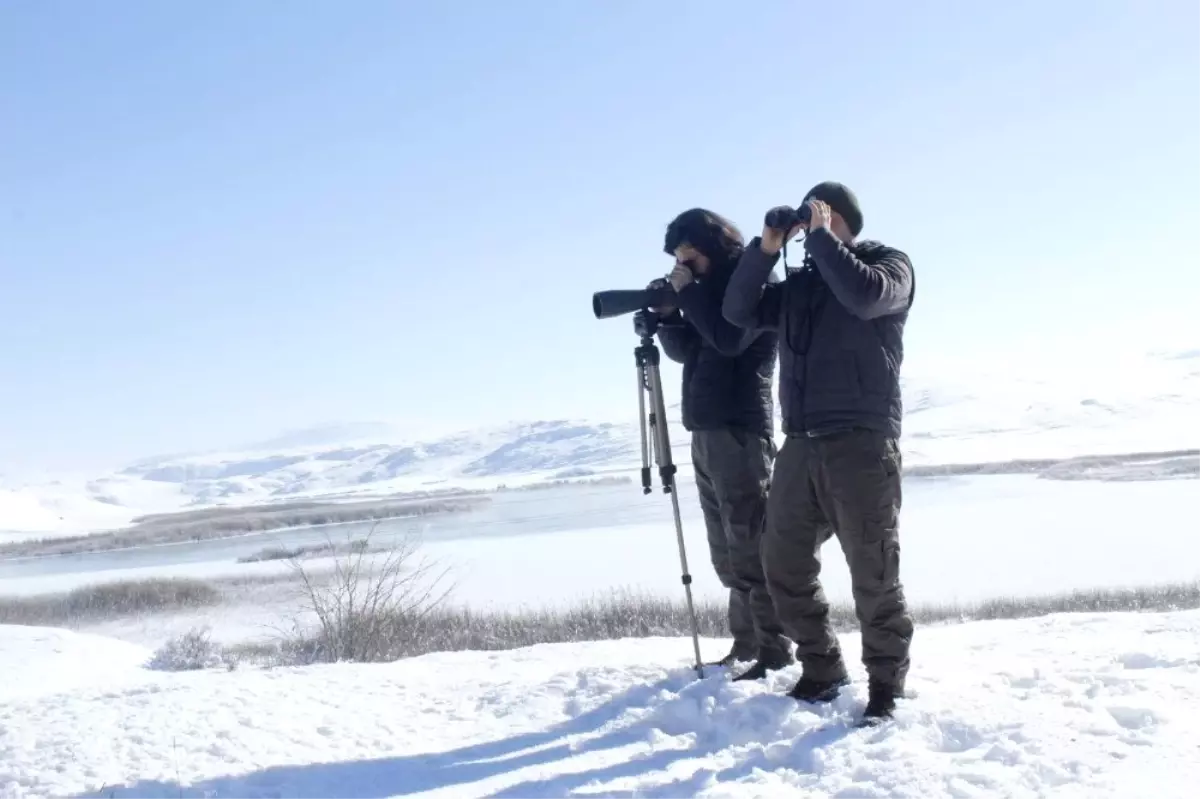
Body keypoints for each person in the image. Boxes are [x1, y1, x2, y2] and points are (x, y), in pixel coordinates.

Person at [721, 182, 915, 722]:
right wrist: (764, 249)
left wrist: (825, 238)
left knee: (873, 571)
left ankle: (885, 682)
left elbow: (865, 297)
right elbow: (738, 311)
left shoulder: (889, 265)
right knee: (779, 561)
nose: (806, 232)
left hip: (861, 442)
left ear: (839, 218)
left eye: (816, 218)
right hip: (800, 445)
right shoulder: (799, 289)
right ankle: (822, 666)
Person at [633, 207, 791, 682]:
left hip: (740, 429)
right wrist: (667, 321)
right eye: (679, 260)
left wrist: (688, 296)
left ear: (712, 248)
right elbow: (691, 352)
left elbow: (727, 340)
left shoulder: (750, 280)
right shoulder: (704, 292)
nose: (684, 268)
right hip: (705, 430)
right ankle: (746, 644)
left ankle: (774, 648)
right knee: (726, 551)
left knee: (749, 544)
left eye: (690, 258)